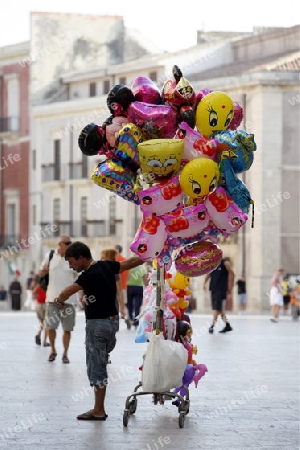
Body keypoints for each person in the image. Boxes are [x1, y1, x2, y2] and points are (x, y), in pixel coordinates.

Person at [54, 241, 144, 420]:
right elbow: (129, 263)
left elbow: (70, 290)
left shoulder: (88, 275)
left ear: (81, 258)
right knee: (101, 361)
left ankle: (98, 410)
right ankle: (98, 405)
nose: (71, 265)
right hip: (112, 324)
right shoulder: (107, 266)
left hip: (97, 326)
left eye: (72, 261)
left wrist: (60, 298)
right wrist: (148, 255)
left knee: (97, 368)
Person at [39, 236, 80, 363]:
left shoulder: (74, 258)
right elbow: (40, 272)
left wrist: (83, 295)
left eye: (70, 243)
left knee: (67, 328)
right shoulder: (50, 256)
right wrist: (43, 271)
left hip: (70, 300)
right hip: (52, 298)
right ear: (59, 244)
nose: (69, 245)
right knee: (51, 327)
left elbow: (80, 277)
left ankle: (65, 354)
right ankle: (53, 350)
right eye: (67, 243)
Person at [203, 257, 235, 334]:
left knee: (217, 308)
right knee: (218, 309)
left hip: (221, 289)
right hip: (213, 289)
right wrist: (204, 283)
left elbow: (232, 274)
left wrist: (231, 286)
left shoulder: (225, 263)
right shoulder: (213, 263)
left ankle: (212, 326)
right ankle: (227, 325)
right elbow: (208, 274)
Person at [126, 263, 148, 329]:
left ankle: (130, 319)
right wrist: (148, 288)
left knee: (129, 305)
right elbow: (145, 281)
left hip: (129, 287)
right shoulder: (143, 268)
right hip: (139, 288)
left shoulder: (129, 267)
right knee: (137, 306)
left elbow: (127, 278)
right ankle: (136, 323)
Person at [33, 276, 50, 347]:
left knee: (43, 322)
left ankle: (39, 334)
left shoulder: (38, 285)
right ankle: (44, 342)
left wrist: (37, 297)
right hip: (46, 305)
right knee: (47, 323)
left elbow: (34, 293)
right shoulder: (48, 285)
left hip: (39, 305)